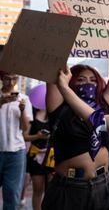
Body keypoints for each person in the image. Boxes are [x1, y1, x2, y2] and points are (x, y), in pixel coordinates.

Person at [42, 64, 109, 210]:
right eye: (81, 80)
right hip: (68, 189)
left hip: (103, 184)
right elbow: (53, 62)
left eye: (93, 80)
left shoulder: (105, 104)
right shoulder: (59, 107)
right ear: (69, 82)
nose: (88, 84)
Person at [0, 72, 32, 210]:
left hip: (16, 152)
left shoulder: (23, 98)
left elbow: (25, 129)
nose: (11, 82)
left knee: (12, 193)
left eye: (14, 78)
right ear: (1, 78)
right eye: (7, 78)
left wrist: (23, 110)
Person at [23, 107, 52, 210]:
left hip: (51, 157)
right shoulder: (32, 113)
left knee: (51, 190)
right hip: (35, 156)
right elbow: (25, 136)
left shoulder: (54, 113)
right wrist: (38, 136)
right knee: (38, 189)